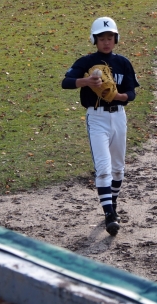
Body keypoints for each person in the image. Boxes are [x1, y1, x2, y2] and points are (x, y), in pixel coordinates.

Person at [61, 17, 139, 236]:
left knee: (118, 168)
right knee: (104, 168)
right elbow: (66, 82)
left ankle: (112, 205)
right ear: (94, 40)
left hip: (119, 116)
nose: (106, 42)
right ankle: (109, 216)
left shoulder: (123, 62)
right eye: (102, 38)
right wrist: (85, 82)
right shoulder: (86, 62)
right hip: (96, 118)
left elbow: (131, 93)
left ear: (116, 39)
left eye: (110, 38)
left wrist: (119, 96)